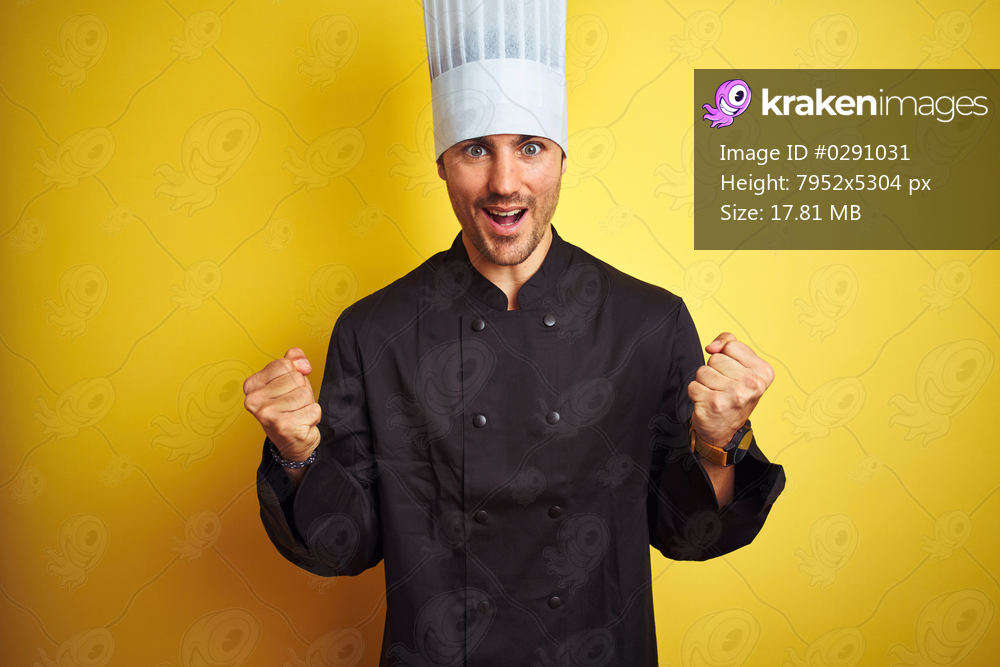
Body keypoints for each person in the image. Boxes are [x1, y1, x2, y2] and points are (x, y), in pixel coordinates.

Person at [243, 2, 785, 665]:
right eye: (476, 149)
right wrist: (298, 453)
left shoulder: (648, 322)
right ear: (442, 162)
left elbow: (688, 535)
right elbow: (342, 548)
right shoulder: (374, 332)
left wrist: (719, 442)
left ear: (561, 157)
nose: (505, 183)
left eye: (530, 147)